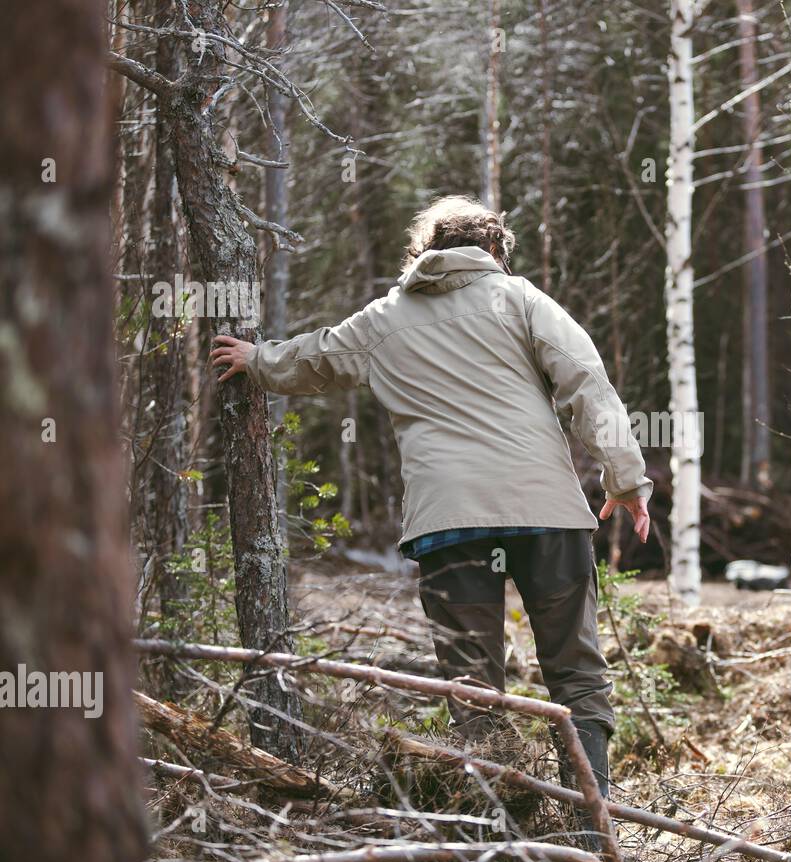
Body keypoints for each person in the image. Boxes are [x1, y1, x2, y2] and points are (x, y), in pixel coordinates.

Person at [211, 195, 651, 805]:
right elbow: (587, 383)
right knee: (575, 670)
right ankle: (591, 820)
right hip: (544, 511)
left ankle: (498, 826)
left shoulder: (387, 317)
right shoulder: (520, 299)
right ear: (492, 249)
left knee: (472, 681)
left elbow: (317, 358)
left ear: (424, 252)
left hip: (450, 522)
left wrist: (257, 359)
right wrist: (625, 480)